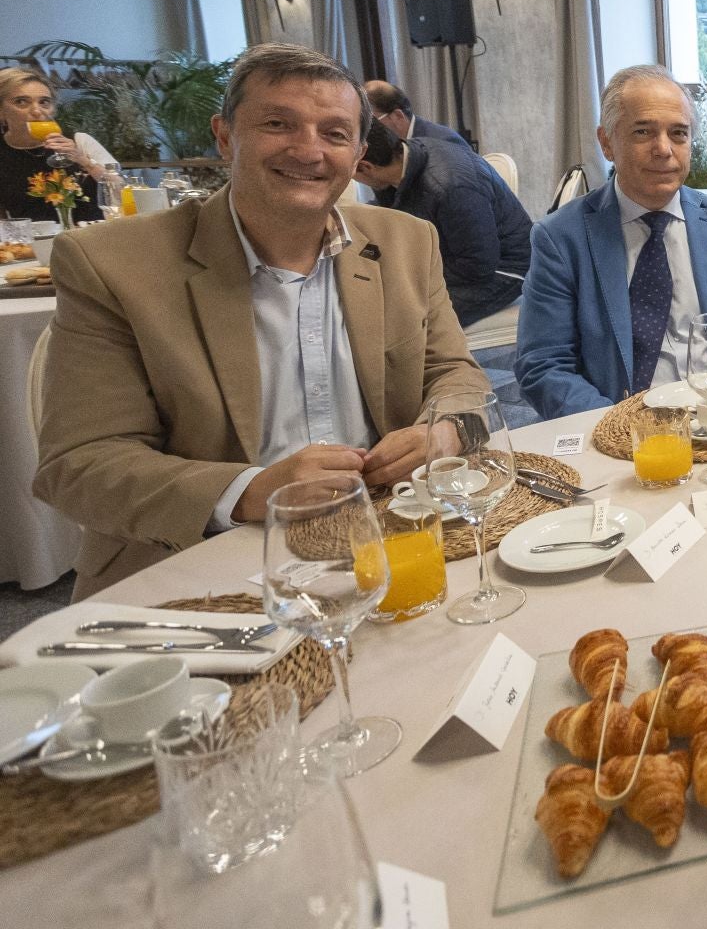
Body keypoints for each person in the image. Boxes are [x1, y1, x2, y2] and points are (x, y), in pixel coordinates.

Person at [34, 42, 492, 597]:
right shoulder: (113, 264)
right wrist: (250, 490)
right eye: (279, 124)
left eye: (335, 133)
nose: (309, 150)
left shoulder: (405, 242)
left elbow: (455, 373)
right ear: (225, 135)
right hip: (197, 567)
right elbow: (80, 464)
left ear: (357, 156)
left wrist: (442, 432)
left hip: (387, 541)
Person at [515, 65, 707, 418]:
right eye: (643, 132)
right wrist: (622, 426)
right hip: (619, 423)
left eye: (678, 134)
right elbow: (544, 365)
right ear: (607, 142)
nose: (664, 149)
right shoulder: (561, 239)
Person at [352, 119, 531, 326]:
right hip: (458, 259)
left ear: (366, 167)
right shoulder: (400, 164)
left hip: (503, 271)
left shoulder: (450, 187)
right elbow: (388, 218)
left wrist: (412, 276)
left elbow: (477, 266)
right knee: (371, 293)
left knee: (400, 319)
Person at [1, 67, 111, 222]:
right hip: (34, 243)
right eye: (21, 102)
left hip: (91, 238)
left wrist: (84, 161)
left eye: (44, 102)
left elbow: (121, 190)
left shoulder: (79, 141)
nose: (37, 111)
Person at [364, 79, 464, 145]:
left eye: (372, 123)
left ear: (398, 116)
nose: (368, 131)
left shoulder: (443, 142)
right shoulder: (392, 146)